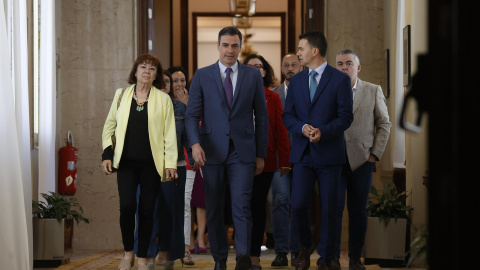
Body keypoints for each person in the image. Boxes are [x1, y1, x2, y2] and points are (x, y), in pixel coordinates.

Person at [185, 26, 269, 270]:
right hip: (210, 150)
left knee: (242, 204)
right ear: (218, 46)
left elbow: (262, 118)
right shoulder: (202, 75)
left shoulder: (252, 76)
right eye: (225, 45)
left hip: (242, 151)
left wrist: (260, 154)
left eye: (234, 45)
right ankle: (220, 259)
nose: (230, 50)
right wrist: (195, 144)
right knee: (214, 207)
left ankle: (243, 256)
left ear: (240, 47)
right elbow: (191, 115)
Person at [282, 31, 353, 270]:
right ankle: (305, 246)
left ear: (314, 51)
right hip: (302, 154)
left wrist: (323, 131)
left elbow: (345, 118)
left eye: (301, 49)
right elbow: (287, 116)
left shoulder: (339, 80)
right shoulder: (297, 81)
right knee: (299, 204)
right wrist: (302, 128)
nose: (298, 53)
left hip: (330, 154)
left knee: (330, 208)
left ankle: (328, 256)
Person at [101, 53, 178, 270]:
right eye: (143, 67)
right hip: (125, 163)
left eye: (152, 68)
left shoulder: (163, 100)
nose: (147, 71)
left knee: (146, 210)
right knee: (127, 207)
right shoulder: (121, 95)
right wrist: (107, 155)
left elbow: (169, 134)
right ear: (135, 72)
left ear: (157, 76)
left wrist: (170, 164)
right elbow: (109, 127)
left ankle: (142, 257)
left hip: (151, 165)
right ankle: (128, 253)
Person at [333, 49, 391, 270]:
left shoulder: (373, 90)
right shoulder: (328, 90)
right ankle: (333, 258)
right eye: (339, 64)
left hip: (362, 161)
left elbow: (384, 124)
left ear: (358, 68)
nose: (344, 67)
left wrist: (374, 155)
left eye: (348, 63)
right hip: (334, 161)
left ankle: (355, 258)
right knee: (334, 211)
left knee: (358, 212)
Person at [243, 54, 291, 269]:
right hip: (239, 160)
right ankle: (242, 251)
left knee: (258, 206)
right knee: (241, 207)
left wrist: (285, 161)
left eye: (259, 66)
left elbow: (280, 130)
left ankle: (254, 254)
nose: (255, 69)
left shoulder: (273, 98)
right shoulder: (235, 95)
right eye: (250, 66)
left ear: (264, 71)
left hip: (267, 159)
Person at [270, 52, 302, 267]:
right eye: (286, 65)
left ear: (300, 67)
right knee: (280, 202)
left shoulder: (309, 92)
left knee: (300, 205)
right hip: (280, 160)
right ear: (281, 69)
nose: (290, 68)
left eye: (293, 64)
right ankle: (281, 251)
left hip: (303, 159)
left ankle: (298, 250)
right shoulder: (274, 95)